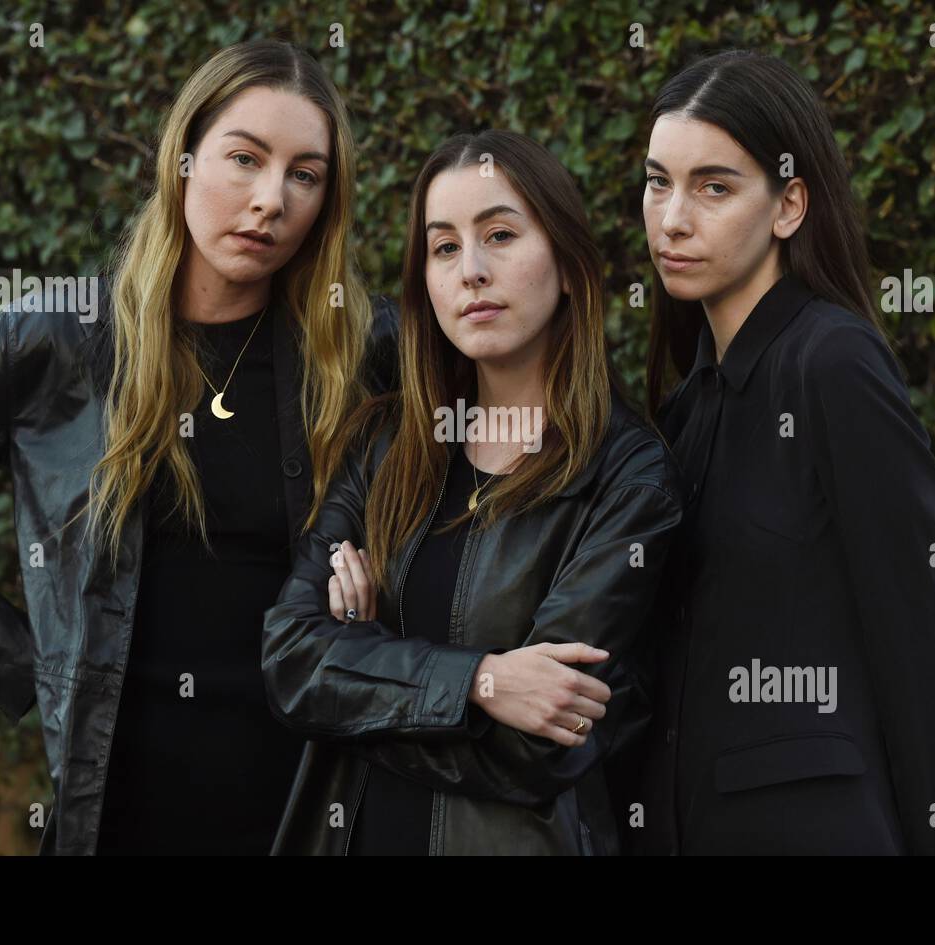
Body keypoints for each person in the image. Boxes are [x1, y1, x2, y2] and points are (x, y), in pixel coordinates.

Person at [0, 39, 397, 855]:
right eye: (244, 158)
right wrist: (39, 666)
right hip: (120, 805)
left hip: (306, 801)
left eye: (304, 174)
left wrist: (385, 600)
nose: (271, 199)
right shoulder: (57, 338)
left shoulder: (365, 347)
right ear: (183, 159)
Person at [262, 129, 683, 855]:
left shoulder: (628, 475)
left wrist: (361, 666)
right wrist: (483, 681)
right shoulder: (384, 444)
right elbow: (291, 658)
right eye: (445, 246)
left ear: (570, 264)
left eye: (499, 235)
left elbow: (545, 743)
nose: (472, 271)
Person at [627, 50, 935, 855]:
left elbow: (919, 645)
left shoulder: (833, 362)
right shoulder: (685, 407)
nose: (673, 218)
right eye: (657, 182)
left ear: (789, 205)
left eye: (714, 187)